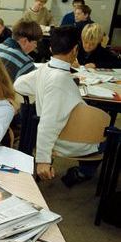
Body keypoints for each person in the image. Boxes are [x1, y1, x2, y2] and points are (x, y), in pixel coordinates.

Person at [14, 26, 101, 187]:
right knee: (112, 139)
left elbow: (19, 84)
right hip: (71, 139)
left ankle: (84, 171)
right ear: (75, 49)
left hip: (64, 134)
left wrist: (40, 91)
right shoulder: (60, 80)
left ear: (51, 48)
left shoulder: (45, 70)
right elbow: (48, 124)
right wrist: (43, 161)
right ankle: (84, 172)